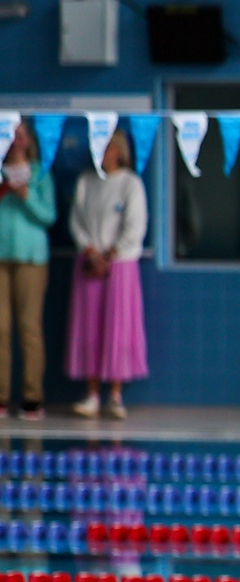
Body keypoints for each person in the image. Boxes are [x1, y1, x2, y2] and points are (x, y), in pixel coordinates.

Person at [66, 128, 146, 420]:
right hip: (89, 264)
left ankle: (115, 394)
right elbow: (76, 220)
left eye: (106, 146)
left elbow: (135, 227)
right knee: (90, 328)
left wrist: (110, 255)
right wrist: (91, 252)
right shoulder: (86, 182)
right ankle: (92, 393)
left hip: (119, 267)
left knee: (118, 327)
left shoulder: (131, 184)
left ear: (119, 152)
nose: (101, 152)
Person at [0, 122, 54, 420]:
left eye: (21, 135)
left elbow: (49, 216)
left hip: (32, 259)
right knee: (0, 329)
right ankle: (1, 397)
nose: (16, 141)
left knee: (29, 328)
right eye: (11, 135)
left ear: (29, 139)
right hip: (0, 258)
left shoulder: (41, 173)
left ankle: (33, 397)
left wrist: (27, 197)